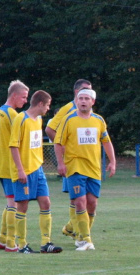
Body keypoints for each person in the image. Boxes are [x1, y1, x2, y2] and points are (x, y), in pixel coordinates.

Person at [53, 88, 116, 251]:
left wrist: (112, 161)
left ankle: (73, 229)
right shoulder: (68, 120)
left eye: (86, 98)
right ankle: (85, 239)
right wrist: (60, 163)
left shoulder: (99, 120)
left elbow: (106, 142)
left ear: (92, 102)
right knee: (80, 201)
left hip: (94, 168)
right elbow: (58, 142)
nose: (83, 101)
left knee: (92, 204)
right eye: (80, 98)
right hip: (75, 167)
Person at [9, 90, 62, 254]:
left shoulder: (38, 120)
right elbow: (13, 145)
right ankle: (22, 245)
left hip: (38, 170)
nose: (48, 109)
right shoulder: (21, 119)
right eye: (47, 105)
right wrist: (20, 170)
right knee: (22, 206)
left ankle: (46, 243)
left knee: (46, 202)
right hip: (24, 171)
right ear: (40, 104)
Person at [45, 79, 92, 242]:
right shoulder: (68, 108)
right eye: (85, 90)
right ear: (76, 92)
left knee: (79, 197)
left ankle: (73, 229)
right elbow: (50, 129)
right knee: (76, 196)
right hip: (72, 161)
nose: (87, 93)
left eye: (90, 90)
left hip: (85, 162)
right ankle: (76, 231)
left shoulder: (85, 109)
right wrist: (64, 149)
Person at [0, 80, 29, 252]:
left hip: (0, 164)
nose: (25, 101)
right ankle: (11, 243)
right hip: (10, 166)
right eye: (23, 97)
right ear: (14, 95)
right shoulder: (12, 115)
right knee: (14, 203)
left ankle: (2, 238)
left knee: (9, 202)